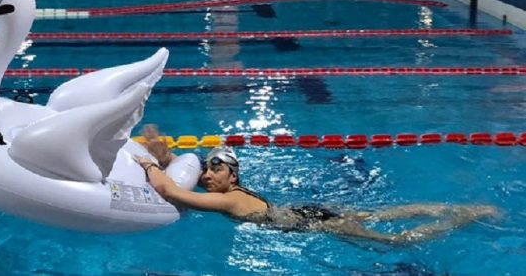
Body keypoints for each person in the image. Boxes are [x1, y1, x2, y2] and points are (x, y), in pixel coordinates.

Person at [135, 126, 500, 244]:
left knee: (395, 241)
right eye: (206, 170)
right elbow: (182, 177)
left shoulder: (228, 201)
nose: (207, 175)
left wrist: (149, 163)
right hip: (303, 213)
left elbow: (170, 191)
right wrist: (166, 157)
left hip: (313, 223)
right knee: (380, 214)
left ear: (234, 176)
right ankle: (444, 208)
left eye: (217, 168)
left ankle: (463, 218)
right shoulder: (232, 191)